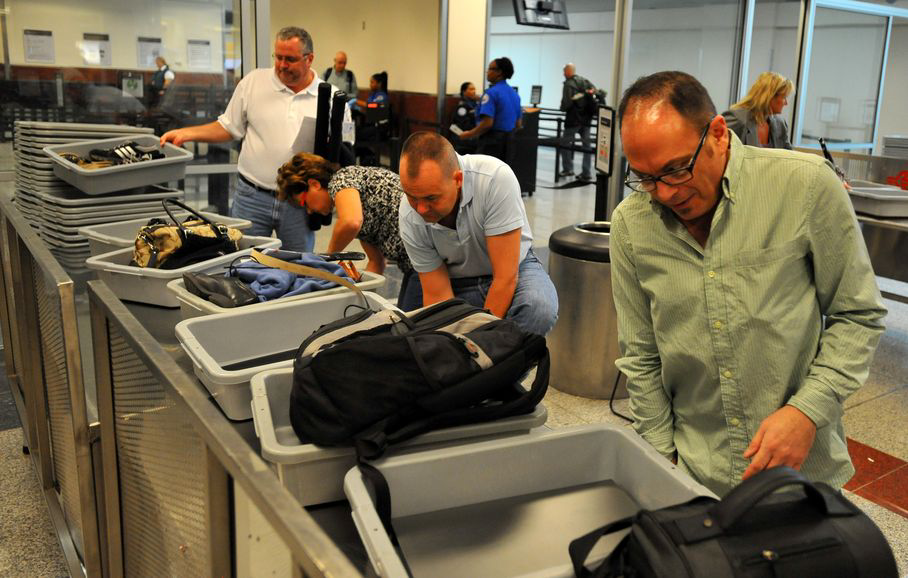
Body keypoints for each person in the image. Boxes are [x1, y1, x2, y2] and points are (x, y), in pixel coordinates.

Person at [610, 70, 886, 497]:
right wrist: (661, 458)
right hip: (694, 471)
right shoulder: (631, 224)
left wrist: (806, 412)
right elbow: (642, 356)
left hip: (801, 469)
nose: (663, 193)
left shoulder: (805, 187)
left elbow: (858, 314)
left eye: (676, 170)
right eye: (645, 178)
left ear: (718, 133)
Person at [160, 27, 350, 252]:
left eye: (290, 59)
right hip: (252, 196)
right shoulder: (253, 83)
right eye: (278, 57)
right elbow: (228, 127)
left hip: (298, 204)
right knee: (243, 264)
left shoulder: (331, 99)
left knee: (298, 269)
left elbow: (345, 153)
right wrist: (187, 133)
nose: (281, 65)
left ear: (309, 59)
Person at [397, 132, 558, 335]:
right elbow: (438, 294)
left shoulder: (494, 179)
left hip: (511, 271)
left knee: (538, 309)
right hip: (454, 278)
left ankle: (506, 363)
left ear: (457, 179)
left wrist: (477, 346)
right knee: (410, 335)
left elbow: (505, 279)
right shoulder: (408, 213)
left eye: (431, 198)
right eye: (412, 197)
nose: (420, 209)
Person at [276, 152, 414, 303]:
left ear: (314, 184)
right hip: (414, 264)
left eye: (303, 202)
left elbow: (350, 222)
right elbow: (377, 262)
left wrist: (325, 260)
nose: (309, 210)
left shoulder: (341, 180)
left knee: (416, 320)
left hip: (424, 256)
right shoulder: (364, 207)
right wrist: (362, 301)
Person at [460, 58, 522, 161]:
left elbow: (487, 123)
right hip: (510, 142)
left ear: (499, 72)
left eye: (490, 69)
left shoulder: (491, 93)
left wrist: (469, 134)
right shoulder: (515, 94)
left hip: (491, 142)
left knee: (485, 174)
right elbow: (518, 124)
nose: (487, 72)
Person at [723, 71, 793, 149]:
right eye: (784, 97)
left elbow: (789, 156)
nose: (786, 103)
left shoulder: (781, 125)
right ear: (770, 97)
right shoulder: (737, 119)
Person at [559, 63, 598, 181]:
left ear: (568, 72)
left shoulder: (569, 84)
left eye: (564, 71)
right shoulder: (585, 81)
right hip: (586, 120)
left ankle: (568, 169)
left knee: (564, 144)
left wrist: (562, 107)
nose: (563, 73)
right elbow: (595, 91)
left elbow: (567, 103)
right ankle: (586, 172)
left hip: (573, 120)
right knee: (586, 146)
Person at [450, 81, 479, 154]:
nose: (474, 91)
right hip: (463, 139)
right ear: (464, 92)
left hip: (471, 137)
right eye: (471, 89)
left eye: (474, 89)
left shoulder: (475, 103)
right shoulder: (462, 106)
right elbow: (462, 124)